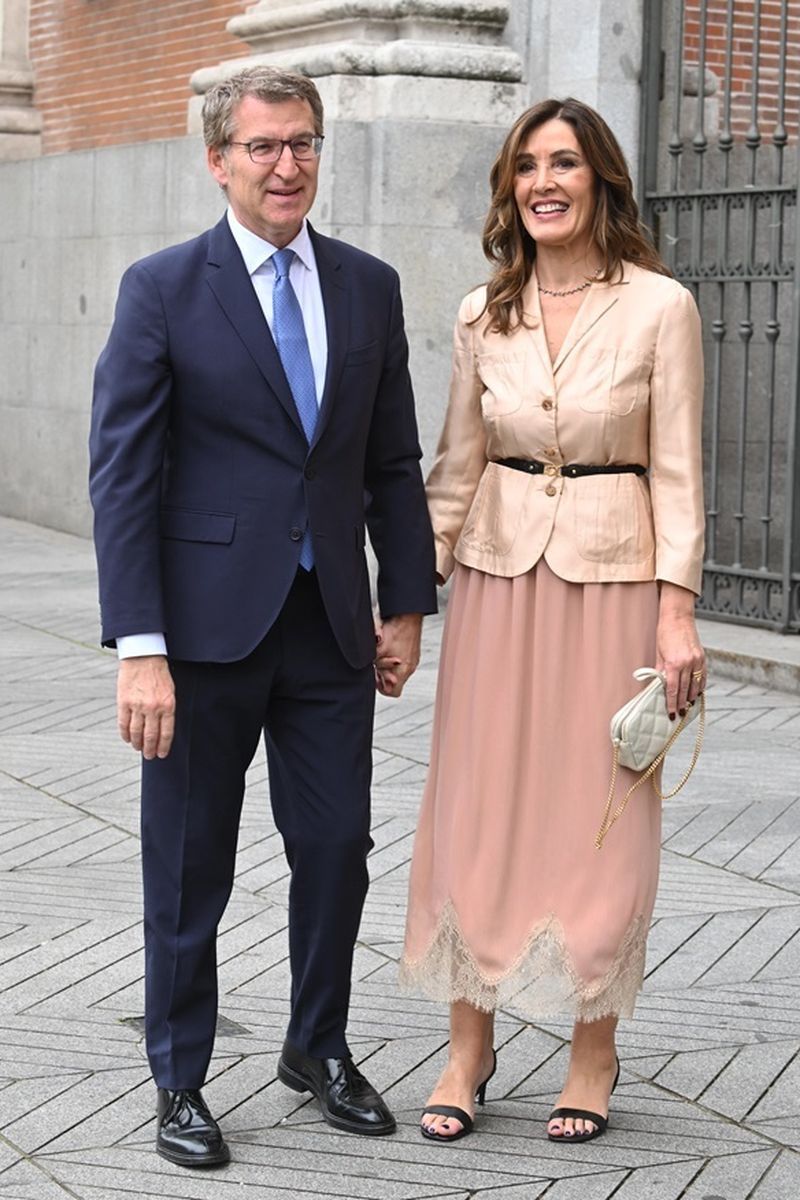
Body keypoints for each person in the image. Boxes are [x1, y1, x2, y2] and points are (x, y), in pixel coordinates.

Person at [89, 65, 436, 1167]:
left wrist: (407, 601)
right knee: (191, 862)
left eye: (303, 144)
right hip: (197, 639)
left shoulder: (368, 287)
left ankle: (315, 1046)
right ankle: (180, 1077)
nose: (287, 165)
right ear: (218, 160)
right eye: (263, 147)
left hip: (329, 625)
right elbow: (123, 477)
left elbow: (389, 463)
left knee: (335, 846)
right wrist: (140, 648)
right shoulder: (162, 288)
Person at [396, 97, 706, 1145]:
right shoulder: (484, 314)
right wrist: (406, 599)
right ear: (507, 188)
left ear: (599, 181)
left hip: (615, 583)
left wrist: (677, 615)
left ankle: (591, 1047)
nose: (542, 182)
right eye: (525, 166)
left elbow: (676, 472)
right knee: (477, 806)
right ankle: (466, 1044)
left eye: (562, 163)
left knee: (601, 812)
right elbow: (454, 468)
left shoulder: (659, 306)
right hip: (494, 581)